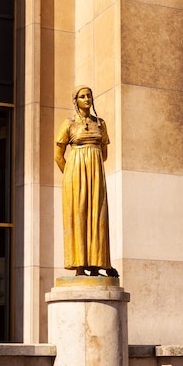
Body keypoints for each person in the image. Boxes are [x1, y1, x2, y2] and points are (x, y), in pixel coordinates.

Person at [54, 86, 118, 277]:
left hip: (95, 174)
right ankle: (80, 265)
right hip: (76, 173)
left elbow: (104, 154)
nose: (87, 99)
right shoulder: (69, 124)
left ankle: (97, 265)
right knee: (79, 215)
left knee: (97, 216)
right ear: (76, 101)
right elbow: (58, 155)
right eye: (82, 96)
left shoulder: (100, 123)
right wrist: (71, 175)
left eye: (89, 96)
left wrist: (92, 165)